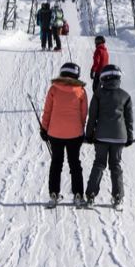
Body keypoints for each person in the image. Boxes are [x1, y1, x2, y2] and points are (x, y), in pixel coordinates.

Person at [84, 64, 132, 210]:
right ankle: (118, 197)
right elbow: (129, 119)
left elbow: (92, 117)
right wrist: (129, 137)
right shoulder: (125, 95)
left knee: (99, 164)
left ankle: (91, 195)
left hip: (101, 137)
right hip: (119, 138)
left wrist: (89, 135)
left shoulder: (98, 94)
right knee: (115, 165)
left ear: (103, 79)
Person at [40, 62, 88, 208]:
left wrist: (44, 128)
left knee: (56, 163)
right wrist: (80, 129)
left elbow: (47, 110)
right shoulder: (80, 91)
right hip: (74, 134)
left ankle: (54, 194)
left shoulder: (53, 89)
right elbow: (83, 113)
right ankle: (78, 195)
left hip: (55, 133)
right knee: (75, 164)